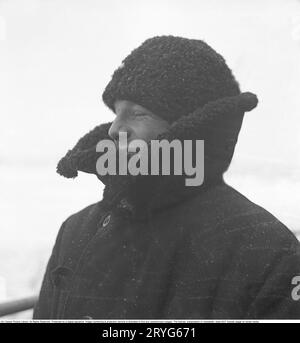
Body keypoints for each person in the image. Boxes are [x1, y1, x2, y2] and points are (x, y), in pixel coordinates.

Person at [33, 35, 300, 319]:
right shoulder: (76, 232)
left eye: (137, 113)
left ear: (193, 126)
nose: (114, 129)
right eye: (116, 113)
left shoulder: (268, 251)